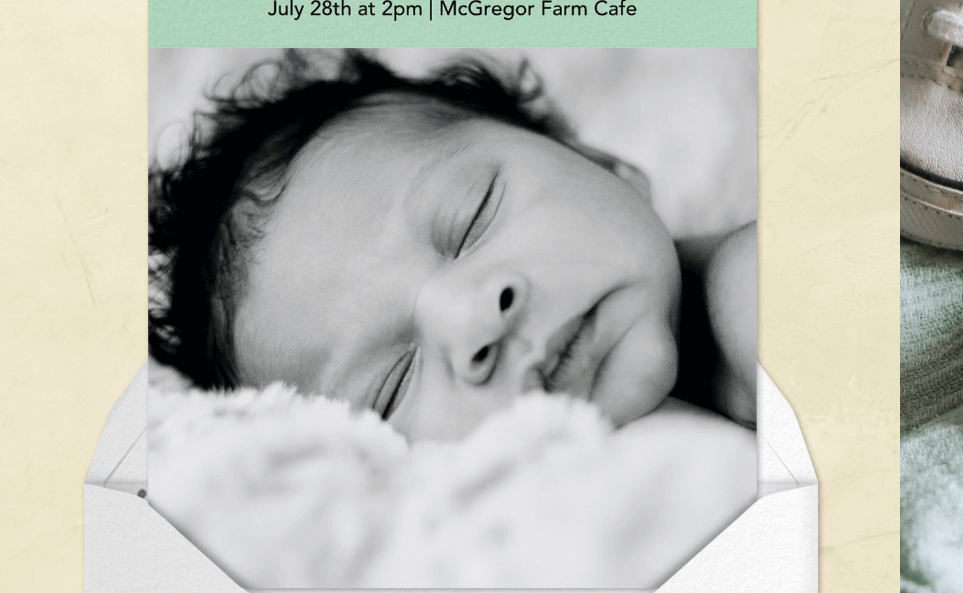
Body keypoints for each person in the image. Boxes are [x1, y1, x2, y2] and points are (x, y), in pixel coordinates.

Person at [149, 50, 756, 442]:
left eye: (472, 217)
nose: (472, 322)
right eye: (391, 387)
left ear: (602, 164)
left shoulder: (755, 288)